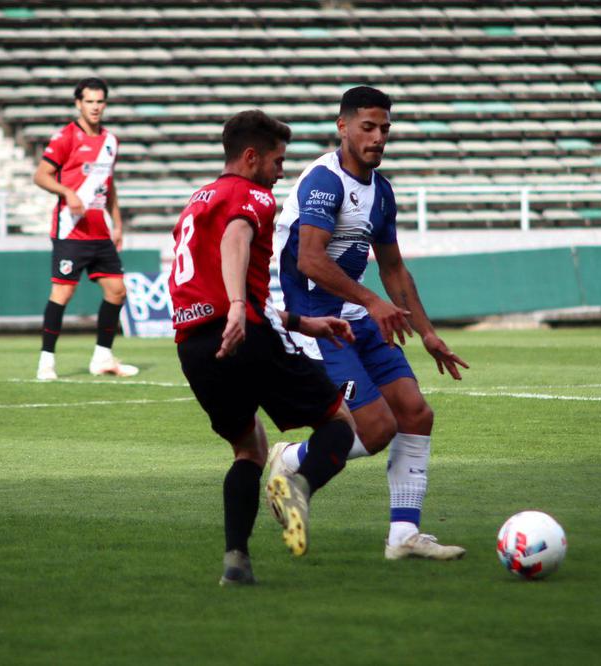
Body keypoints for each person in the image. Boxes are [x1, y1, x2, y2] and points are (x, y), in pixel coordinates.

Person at [272, 86, 469, 559]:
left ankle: (403, 536)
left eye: (384, 129)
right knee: (377, 428)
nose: (378, 137)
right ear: (343, 127)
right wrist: (372, 301)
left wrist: (427, 332)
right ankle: (291, 459)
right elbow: (311, 261)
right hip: (312, 319)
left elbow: (394, 267)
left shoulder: (380, 191)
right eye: (368, 127)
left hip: (355, 316)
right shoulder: (324, 180)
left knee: (416, 413)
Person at [169, 110, 357, 585]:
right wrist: (236, 305)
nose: (280, 171)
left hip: (195, 346)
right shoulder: (252, 195)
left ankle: (236, 560)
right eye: (277, 160)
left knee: (248, 448)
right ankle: (298, 485)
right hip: (243, 332)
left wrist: (300, 322)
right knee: (339, 422)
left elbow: (217, 269)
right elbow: (236, 237)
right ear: (250, 157)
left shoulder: (197, 200)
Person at [33, 77, 137, 380]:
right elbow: (41, 175)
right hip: (71, 230)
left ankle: (102, 358)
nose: (95, 107)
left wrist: (117, 223)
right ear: (79, 103)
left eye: (100, 101)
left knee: (117, 291)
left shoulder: (110, 141)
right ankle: (46, 362)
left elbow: (109, 186)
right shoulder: (66, 136)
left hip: (99, 232)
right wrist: (67, 192)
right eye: (89, 101)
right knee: (63, 293)